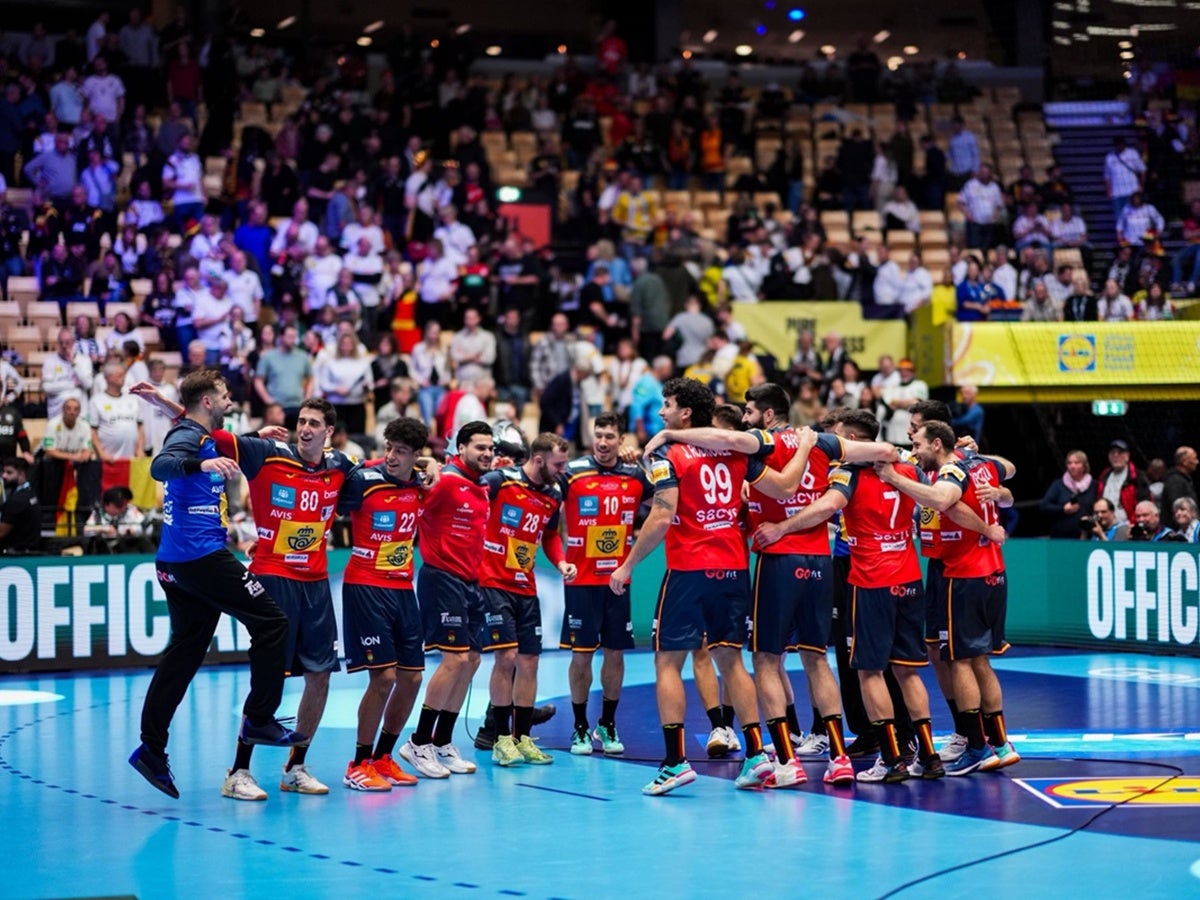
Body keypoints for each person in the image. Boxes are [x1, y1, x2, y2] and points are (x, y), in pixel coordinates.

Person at [664, 384, 898, 787]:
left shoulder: (762, 443)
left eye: (751, 411)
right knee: (816, 659)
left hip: (779, 560)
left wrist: (669, 434)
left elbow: (721, 437)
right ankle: (840, 756)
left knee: (766, 660)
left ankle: (786, 762)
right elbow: (886, 451)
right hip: (821, 562)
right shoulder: (825, 442)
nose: (746, 417)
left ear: (767, 415)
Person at [611, 377, 818, 795]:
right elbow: (784, 486)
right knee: (731, 660)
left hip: (689, 569)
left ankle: (674, 762)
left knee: (668, 663)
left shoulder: (670, 451)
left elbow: (662, 515)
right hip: (733, 570)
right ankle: (759, 755)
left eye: (667, 405)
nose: (662, 412)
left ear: (686, 413)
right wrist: (807, 449)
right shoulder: (738, 450)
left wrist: (627, 565)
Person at [127, 370, 302, 801]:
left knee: (185, 652)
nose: (230, 400)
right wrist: (199, 464)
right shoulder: (188, 439)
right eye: (224, 396)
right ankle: (260, 717)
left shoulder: (199, 432)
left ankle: (151, 748)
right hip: (200, 558)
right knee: (272, 622)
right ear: (208, 401)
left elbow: (200, 430)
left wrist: (175, 409)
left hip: (175, 561)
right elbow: (161, 465)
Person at [779, 410, 957, 782]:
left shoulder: (850, 472)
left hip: (871, 580)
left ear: (858, 440)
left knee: (869, 671)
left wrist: (782, 527)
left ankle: (891, 759)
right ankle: (928, 755)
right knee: (908, 674)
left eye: (841, 438)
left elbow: (828, 506)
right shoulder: (908, 470)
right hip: (909, 579)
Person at [877, 420, 1019, 775]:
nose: (914, 450)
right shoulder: (978, 463)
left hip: (964, 573)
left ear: (937, 443)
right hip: (991, 572)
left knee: (960, 661)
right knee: (979, 660)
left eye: (918, 442)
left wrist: (896, 480)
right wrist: (1001, 493)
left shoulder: (952, 471)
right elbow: (1009, 471)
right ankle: (999, 742)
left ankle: (975, 746)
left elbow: (945, 501)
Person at [337, 417, 433, 791]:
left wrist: (430, 468)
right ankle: (358, 763)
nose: (392, 457)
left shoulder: (420, 485)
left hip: (402, 588)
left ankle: (383, 757)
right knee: (385, 677)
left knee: (411, 677)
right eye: (389, 448)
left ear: (416, 455)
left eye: (401, 452)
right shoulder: (364, 480)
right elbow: (327, 508)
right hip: (365, 586)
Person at [479, 434, 576, 767]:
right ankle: (500, 738)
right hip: (493, 582)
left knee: (530, 662)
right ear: (538, 459)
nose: (562, 471)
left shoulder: (552, 493)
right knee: (505, 658)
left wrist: (561, 561)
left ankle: (522, 739)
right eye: (558, 464)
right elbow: (467, 495)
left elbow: (549, 535)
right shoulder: (499, 481)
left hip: (525, 586)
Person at [404, 422, 493, 776]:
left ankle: (442, 742)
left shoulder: (482, 485)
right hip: (442, 578)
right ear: (460, 448)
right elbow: (410, 477)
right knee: (455, 660)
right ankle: (418, 742)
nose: (486, 453)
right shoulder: (446, 480)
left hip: (472, 582)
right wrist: (427, 464)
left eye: (490, 448)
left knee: (471, 661)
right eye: (479, 447)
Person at [559, 413, 651, 756]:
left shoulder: (634, 474)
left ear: (620, 439)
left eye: (610, 436)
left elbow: (665, 501)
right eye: (598, 435)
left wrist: (641, 458)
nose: (602, 442)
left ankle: (607, 723)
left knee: (614, 654)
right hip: (581, 579)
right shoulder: (572, 472)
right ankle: (580, 727)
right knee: (581, 656)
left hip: (617, 579)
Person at [89, 361, 143, 462]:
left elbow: (140, 426)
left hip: (132, 459)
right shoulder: (96, 401)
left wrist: (139, 449)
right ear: (109, 377)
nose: (124, 378)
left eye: (124, 375)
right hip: (108, 459)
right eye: (120, 375)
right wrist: (101, 453)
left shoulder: (133, 399)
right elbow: (93, 430)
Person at [1041, 450, 1097, 539]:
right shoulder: (1058, 484)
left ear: (1084, 466)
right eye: (1069, 463)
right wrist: (1062, 509)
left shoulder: (1094, 485)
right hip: (1061, 538)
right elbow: (1044, 505)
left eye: (1077, 463)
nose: (1072, 466)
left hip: (1087, 538)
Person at [1096, 439, 1150, 526]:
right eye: (1113, 453)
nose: (1116, 455)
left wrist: (1134, 524)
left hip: (1128, 526)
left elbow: (1145, 505)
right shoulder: (1104, 476)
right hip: (1105, 526)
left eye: (1120, 452)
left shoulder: (1137, 477)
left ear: (1127, 456)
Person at [83, 485, 152, 553]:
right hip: (105, 548)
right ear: (107, 504)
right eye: (118, 505)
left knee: (143, 543)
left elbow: (147, 526)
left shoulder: (130, 510)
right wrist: (106, 529)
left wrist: (132, 530)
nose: (122, 508)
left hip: (127, 546)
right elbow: (86, 530)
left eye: (124, 504)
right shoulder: (98, 513)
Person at [0, 458, 41, 553]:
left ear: (21, 474)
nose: (4, 476)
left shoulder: (17, 500)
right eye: (3, 472)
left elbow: (1, 532)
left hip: (17, 553)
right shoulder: (31, 492)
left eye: (9, 473)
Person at [1159, 446, 1198, 523]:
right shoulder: (1175, 482)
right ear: (1185, 462)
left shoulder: (1183, 480)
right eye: (1194, 458)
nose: (1197, 462)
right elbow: (1178, 509)